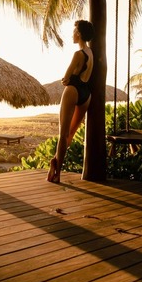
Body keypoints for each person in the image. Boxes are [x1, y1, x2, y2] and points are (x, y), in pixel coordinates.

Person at [47, 19, 95, 183]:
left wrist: (65, 79)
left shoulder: (78, 54)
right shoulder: (91, 53)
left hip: (73, 90)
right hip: (86, 95)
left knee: (63, 134)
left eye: (74, 31)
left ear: (79, 34)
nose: (72, 34)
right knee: (70, 135)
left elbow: (66, 78)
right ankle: (55, 161)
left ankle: (57, 173)